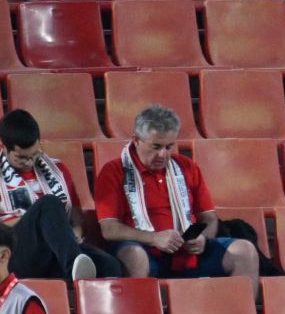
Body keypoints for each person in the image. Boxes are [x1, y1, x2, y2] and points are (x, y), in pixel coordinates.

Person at [94, 104, 261, 283]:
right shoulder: (113, 171)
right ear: (136, 140)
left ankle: (241, 311)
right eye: (156, 146)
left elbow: (209, 218)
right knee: (134, 255)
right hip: (144, 249)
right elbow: (109, 229)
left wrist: (203, 238)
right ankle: (140, 310)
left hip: (187, 251)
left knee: (245, 250)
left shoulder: (187, 167)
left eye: (169, 146)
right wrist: (154, 238)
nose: (162, 154)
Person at [0, 110, 123, 284]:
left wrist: (75, 231)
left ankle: (79, 274)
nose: (29, 162)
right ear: (3, 148)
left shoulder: (58, 170)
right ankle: (74, 268)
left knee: (110, 266)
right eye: (22, 158)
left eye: (34, 155)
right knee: (49, 204)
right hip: (13, 256)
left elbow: (76, 215)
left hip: (57, 251)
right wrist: (31, 219)